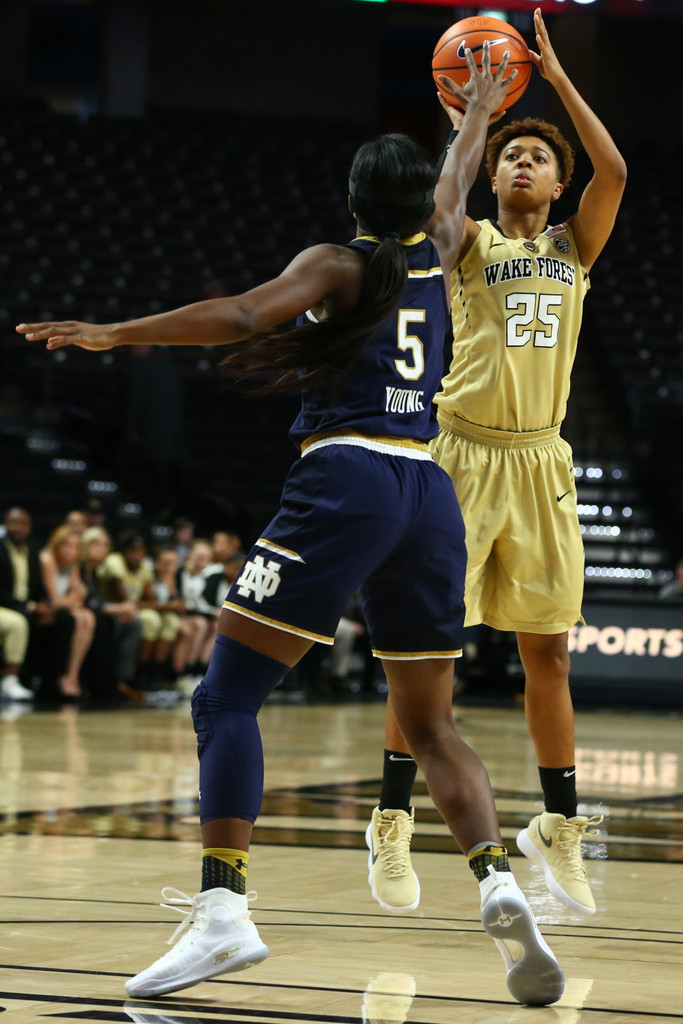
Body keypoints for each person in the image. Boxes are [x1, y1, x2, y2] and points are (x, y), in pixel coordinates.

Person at [17, 48, 564, 1007]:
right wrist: (474, 112)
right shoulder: (442, 253)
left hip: (348, 476)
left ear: (354, 200)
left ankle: (223, 911)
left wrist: (114, 331)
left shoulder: (338, 262)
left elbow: (238, 312)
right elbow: (453, 187)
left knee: (224, 700)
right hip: (429, 492)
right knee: (433, 727)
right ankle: (499, 881)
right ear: (425, 204)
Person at [369, 8, 626, 920]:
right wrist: (473, 118)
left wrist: (552, 80)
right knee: (427, 649)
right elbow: (442, 206)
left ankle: (556, 825)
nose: (523, 164)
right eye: (512, 156)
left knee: (547, 652)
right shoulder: (474, 243)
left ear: (556, 188)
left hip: (539, 464)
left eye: (538, 159)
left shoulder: (571, 250)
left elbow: (617, 171)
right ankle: (392, 816)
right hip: (462, 458)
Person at [0, 507, 75, 701]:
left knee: (64, 619)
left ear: (30, 527)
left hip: (28, 605)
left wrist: (47, 606)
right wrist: (31, 607)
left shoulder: (32, 551)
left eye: (23, 523)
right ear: (5, 524)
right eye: (13, 522)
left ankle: (52, 679)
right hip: (6, 605)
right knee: (20, 620)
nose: (18, 528)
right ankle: (11, 678)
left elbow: (39, 586)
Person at [40, 525, 96, 698]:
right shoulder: (47, 560)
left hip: (65, 608)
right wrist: (72, 599)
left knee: (88, 617)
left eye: (74, 546)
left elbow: (79, 594)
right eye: (66, 545)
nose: (70, 550)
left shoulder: (73, 565)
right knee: (78, 618)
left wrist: (72, 599)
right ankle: (63, 675)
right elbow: (54, 600)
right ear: (56, 544)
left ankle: (72, 675)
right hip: (45, 610)